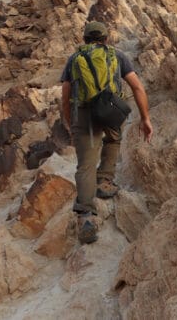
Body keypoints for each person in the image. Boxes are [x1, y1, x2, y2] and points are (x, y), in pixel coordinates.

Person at [60, 20, 153, 244]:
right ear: (105, 38)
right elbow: (137, 87)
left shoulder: (75, 59)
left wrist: (68, 120)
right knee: (113, 139)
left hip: (84, 114)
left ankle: (87, 217)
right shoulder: (117, 56)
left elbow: (65, 93)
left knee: (85, 164)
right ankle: (105, 181)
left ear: (85, 39)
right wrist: (145, 118)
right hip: (110, 109)